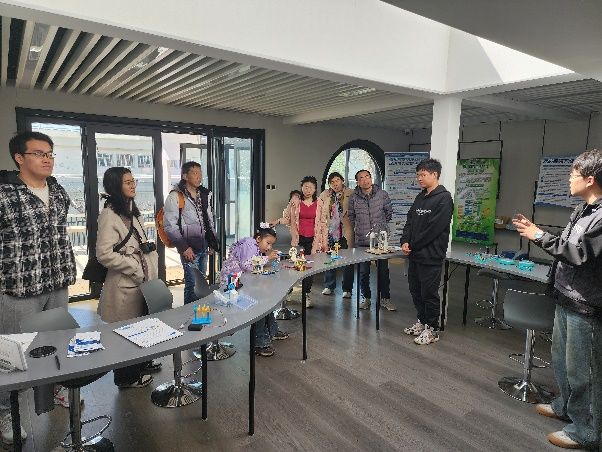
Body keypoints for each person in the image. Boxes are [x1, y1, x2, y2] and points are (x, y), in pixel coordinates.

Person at [513, 150, 602, 450]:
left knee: (583, 372)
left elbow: (579, 254)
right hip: (566, 297)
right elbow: (565, 244)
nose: (569, 179)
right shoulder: (583, 209)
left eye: (573, 174)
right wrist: (538, 234)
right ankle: (565, 407)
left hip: (587, 306)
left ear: (590, 179)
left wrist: (538, 235)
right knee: (562, 362)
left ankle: (587, 431)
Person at [0, 131, 76, 445]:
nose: (47, 159)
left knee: (57, 342)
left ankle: (55, 389)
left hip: (56, 282)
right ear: (19, 158)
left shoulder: (57, 191)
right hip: (19, 287)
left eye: (50, 153)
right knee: (12, 353)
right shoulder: (4, 194)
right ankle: (6, 411)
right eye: (39, 153)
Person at [96, 167, 159, 388]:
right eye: (127, 182)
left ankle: (141, 364)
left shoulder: (131, 209)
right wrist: (133, 267)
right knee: (126, 333)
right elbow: (104, 254)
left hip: (141, 282)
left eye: (134, 181)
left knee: (141, 326)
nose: (133, 185)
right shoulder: (110, 215)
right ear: (115, 186)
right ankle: (126, 378)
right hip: (125, 284)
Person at [400, 158, 454, 345]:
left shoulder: (444, 198)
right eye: (418, 175)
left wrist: (413, 244)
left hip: (431, 256)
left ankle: (432, 329)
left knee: (429, 293)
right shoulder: (420, 197)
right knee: (415, 290)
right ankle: (422, 322)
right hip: (415, 254)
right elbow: (409, 222)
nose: (419, 178)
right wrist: (405, 241)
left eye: (423, 175)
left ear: (434, 174)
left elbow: (434, 229)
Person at [219, 225, 288, 356]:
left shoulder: (254, 246)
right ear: (258, 239)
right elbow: (247, 265)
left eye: (271, 244)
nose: (269, 247)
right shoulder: (249, 245)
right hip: (233, 284)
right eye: (268, 243)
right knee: (260, 304)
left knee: (266, 300)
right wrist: (267, 258)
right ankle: (260, 342)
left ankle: (272, 331)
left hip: (242, 280)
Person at [163, 161, 217, 304]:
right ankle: (189, 314)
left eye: (200, 173)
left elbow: (209, 220)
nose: (199, 176)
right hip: (189, 249)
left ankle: (201, 311)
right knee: (192, 284)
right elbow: (170, 226)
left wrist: (211, 242)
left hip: (204, 246)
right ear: (185, 176)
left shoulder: (204, 194)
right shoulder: (175, 196)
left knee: (201, 283)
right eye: (195, 173)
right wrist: (184, 248)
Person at [271, 177, 324, 307]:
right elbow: (287, 218)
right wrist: (277, 221)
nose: (308, 190)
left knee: (309, 267)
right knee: (294, 265)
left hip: (313, 240)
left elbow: (323, 223)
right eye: (305, 187)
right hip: (298, 239)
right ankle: (288, 292)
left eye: (311, 187)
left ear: (315, 189)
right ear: (301, 188)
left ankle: (306, 294)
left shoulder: (319, 203)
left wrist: (323, 242)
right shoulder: (295, 202)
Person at [348, 169, 395, 311]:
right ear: (357, 182)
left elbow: (389, 213)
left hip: (380, 240)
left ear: (371, 178)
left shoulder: (382, 194)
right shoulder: (354, 197)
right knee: (363, 272)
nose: (365, 180)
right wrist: (360, 227)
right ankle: (366, 298)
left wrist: (380, 226)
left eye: (367, 177)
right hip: (362, 240)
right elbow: (351, 216)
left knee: (383, 271)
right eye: (361, 178)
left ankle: (385, 299)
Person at [316, 172, 355, 298]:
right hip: (331, 232)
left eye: (337, 180)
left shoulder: (351, 193)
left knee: (348, 260)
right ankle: (329, 285)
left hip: (346, 231)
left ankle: (347, 289)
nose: (335, 184)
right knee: (331, 259)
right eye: (332, 182)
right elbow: (319, 212)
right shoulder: (325, 194)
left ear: (342, 181)